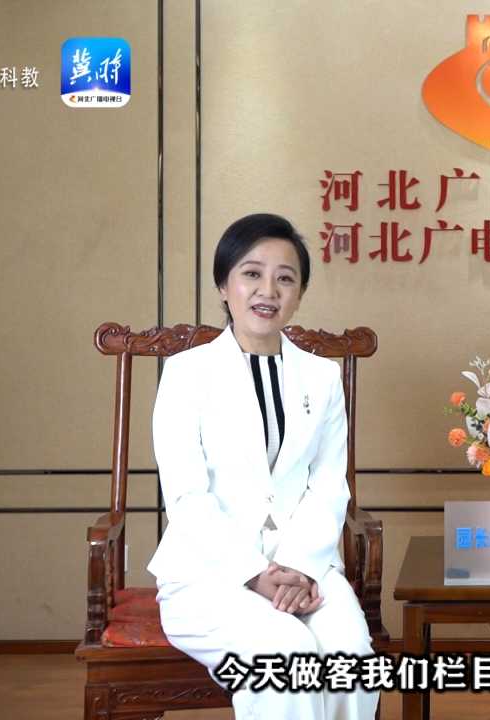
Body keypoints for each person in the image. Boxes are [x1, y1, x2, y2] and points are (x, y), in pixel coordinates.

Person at [148, 213, 378, 720]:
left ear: (299, 294)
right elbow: (187, 497)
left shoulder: (322, 377)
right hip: (209, 574)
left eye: (285, 278)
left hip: (306, 566)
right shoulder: (186, 375)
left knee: (350, 656)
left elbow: (328, 486)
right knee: (285, 653)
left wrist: (297, 567)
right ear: (223, 285)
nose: (267, 290)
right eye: (251, 273)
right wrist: (254, 573)